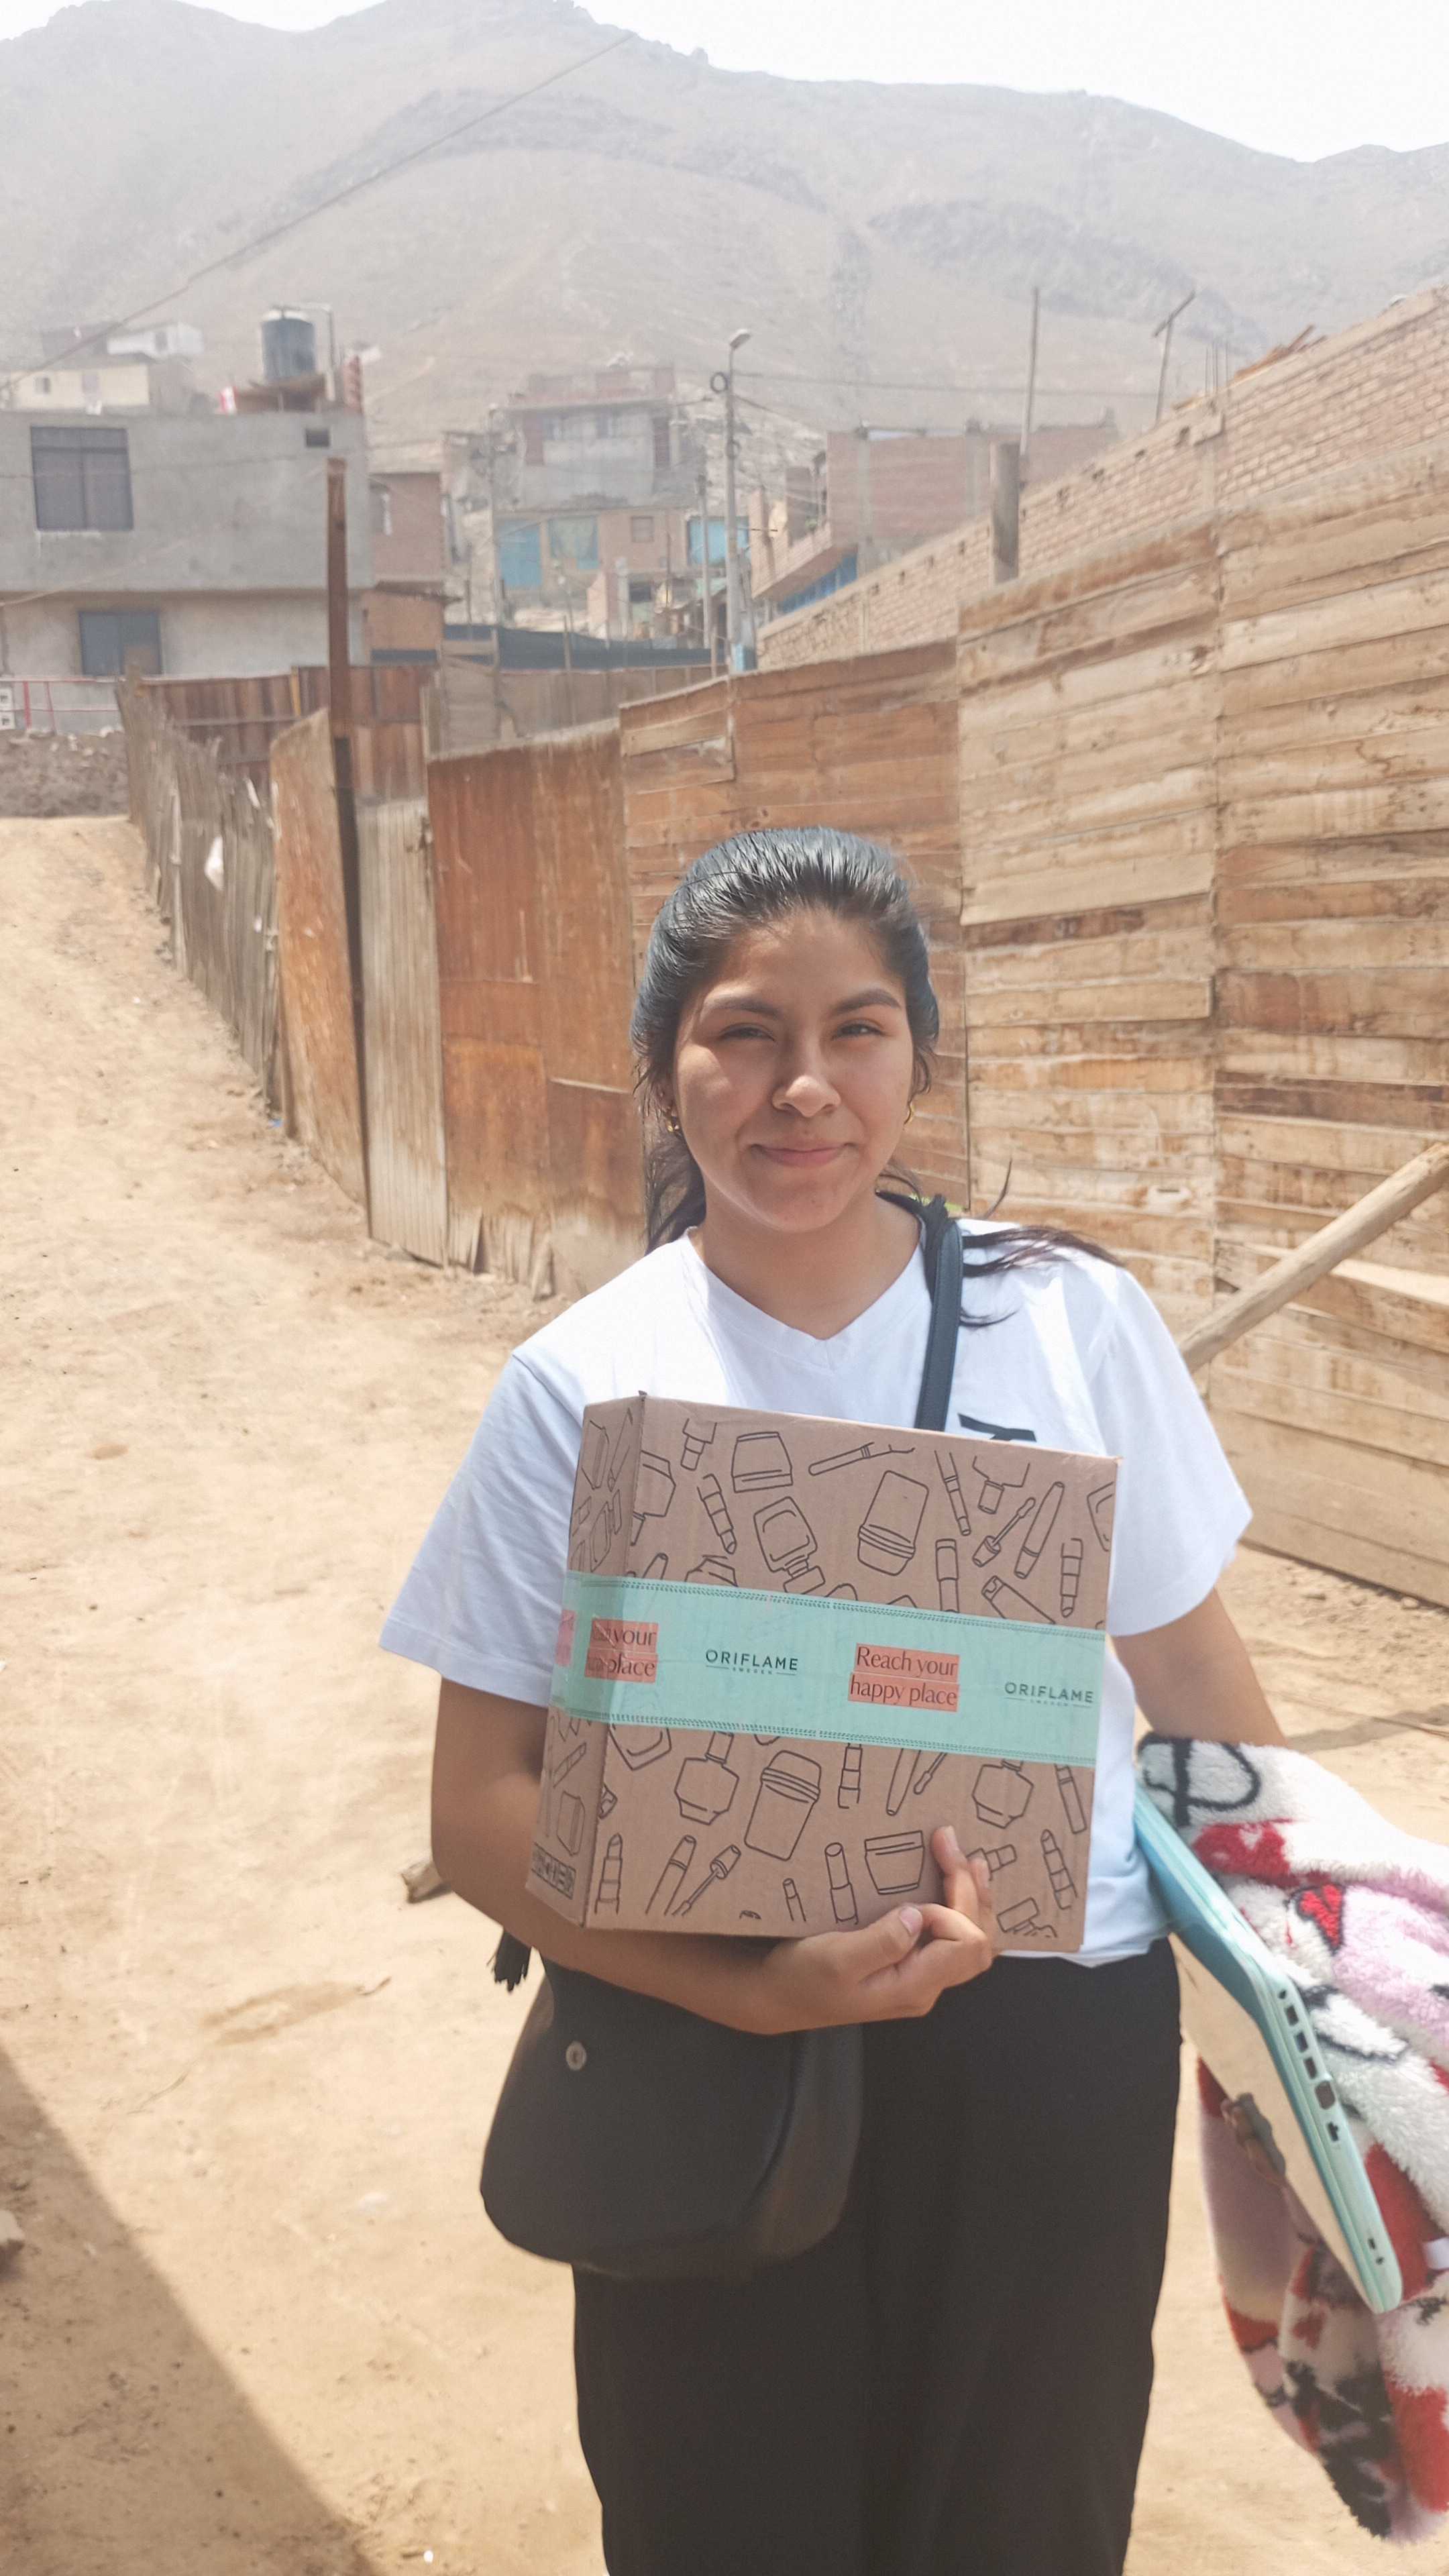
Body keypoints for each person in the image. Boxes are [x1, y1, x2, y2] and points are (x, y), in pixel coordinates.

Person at [382, 826, 1285, 2576]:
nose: (801, 1087)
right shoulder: (583, 1384)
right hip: (704, 2041)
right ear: (665, 1070)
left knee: (1024, 2521)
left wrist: (1302, 2008)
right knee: (723, 2519)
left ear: (917, 1057)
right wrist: (757, 1990)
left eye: (856, 1031)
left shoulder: (1070, 1323)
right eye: (743, 1034)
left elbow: (1193, 1680)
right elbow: (482, 1806)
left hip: (1052, 2040)